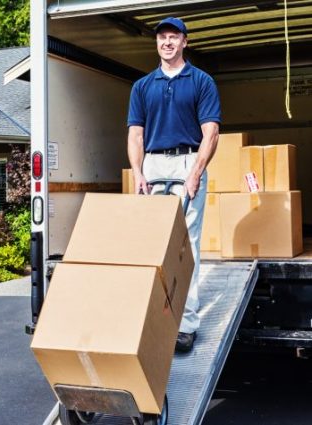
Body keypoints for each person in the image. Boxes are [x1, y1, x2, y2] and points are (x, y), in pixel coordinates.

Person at [127, 17, 221, 352]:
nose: (167, 42)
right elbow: (136, 134)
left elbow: (211, 131)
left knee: (187, 244)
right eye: (162, 37)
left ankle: (186, 324)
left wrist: (196, 171)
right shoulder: (143, 86)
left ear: (185, 42)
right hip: (152, 165)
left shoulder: (201, 81)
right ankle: (152, 317)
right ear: (157, 43)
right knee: (152, 246)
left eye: (174, 37)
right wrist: (137, 172)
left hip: (186, 162)